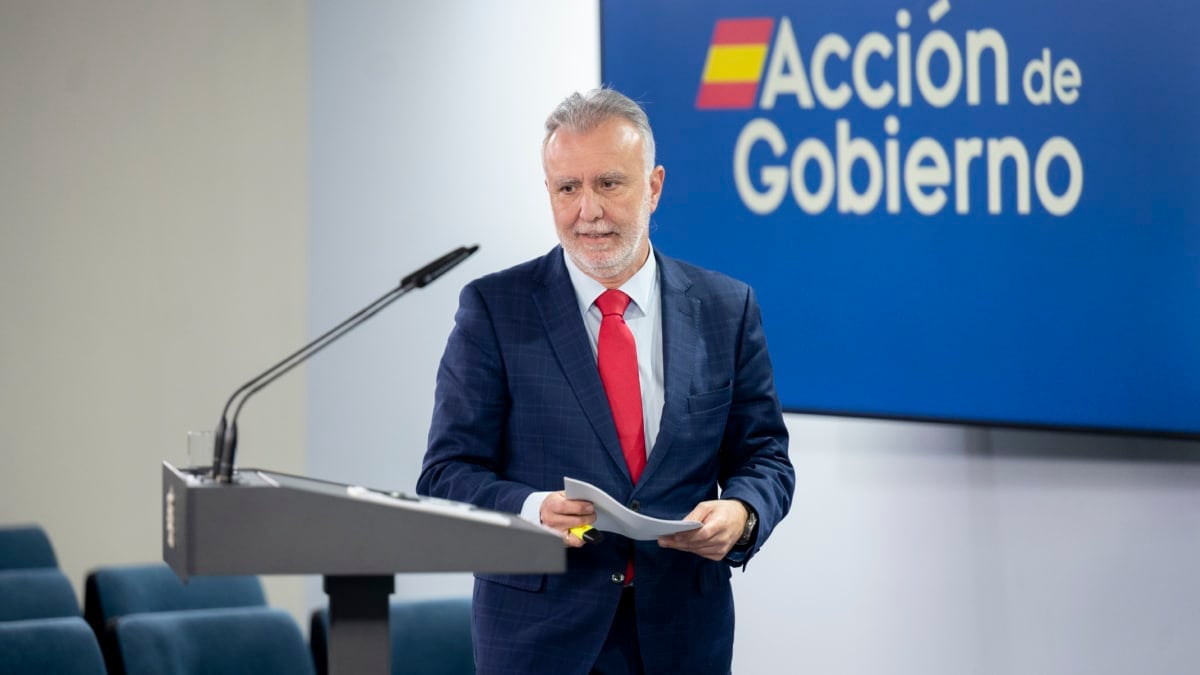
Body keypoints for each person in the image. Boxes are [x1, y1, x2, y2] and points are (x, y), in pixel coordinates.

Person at [417, 88, 794, 675]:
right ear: (549, 193)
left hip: (684, 638)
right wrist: (535, 508)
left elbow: (766, 456)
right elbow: (445, 474)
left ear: (654, 186)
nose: (587, 210)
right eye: (568, 188)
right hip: (540, 639)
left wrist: (743, 513)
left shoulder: (726, 308)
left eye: (609, 184)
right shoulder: (496, 309)